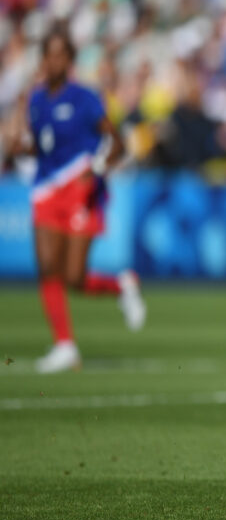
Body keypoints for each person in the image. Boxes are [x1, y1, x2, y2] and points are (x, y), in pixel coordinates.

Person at [20, 29, 146, 373]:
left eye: (61, 54)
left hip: (80, 189)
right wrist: (21, 148)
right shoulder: (35, 100)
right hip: (46, 189)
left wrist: (99, 167)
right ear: (42, 60)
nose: (54, 60)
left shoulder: (85, 98)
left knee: (75, 277)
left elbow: (117, 142)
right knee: (48, 267)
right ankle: (65, 345)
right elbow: (40, 145)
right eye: (49, 54)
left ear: (70, 60)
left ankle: (122, 284)